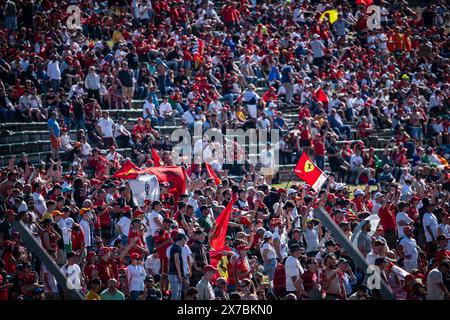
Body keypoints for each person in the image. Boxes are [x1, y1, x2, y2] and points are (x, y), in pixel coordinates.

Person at [168, 233, 186, 300]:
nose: (185, 242)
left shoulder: (178, 247)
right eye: (185, 240)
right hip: (174, 274)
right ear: (182, 239)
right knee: (175, 296)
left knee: (178, 295)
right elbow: (176, 260)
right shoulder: (175, 247)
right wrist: (179, 274)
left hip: (176, 274)